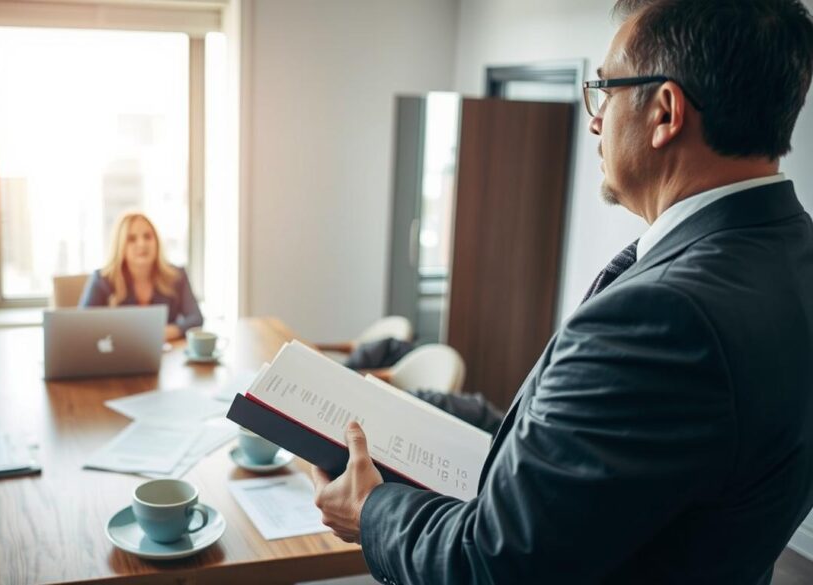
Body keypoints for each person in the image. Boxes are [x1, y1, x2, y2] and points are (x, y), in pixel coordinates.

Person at [311, 1, 813, 583]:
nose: (595, 121)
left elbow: (490, 564)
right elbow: (609, 462)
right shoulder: (791, 258)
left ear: (666, 112)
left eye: (605, 89)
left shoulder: (664, 315)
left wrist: (369, 511)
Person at [79, 211, 202, 341]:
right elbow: (82, 326)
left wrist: (165, 332)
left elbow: (196, 318)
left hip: (166, 353)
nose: (141, 244)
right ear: (120, 246)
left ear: (156, 241)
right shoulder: (102, 279)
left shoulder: (177, 275)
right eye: (131, 239)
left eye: (147, 236)